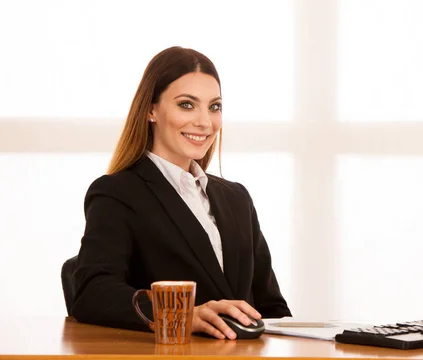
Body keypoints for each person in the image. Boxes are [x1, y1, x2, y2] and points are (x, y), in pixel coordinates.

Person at [72, 46, 291, 339]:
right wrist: (181, 315)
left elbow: (271, 308)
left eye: (214, 106)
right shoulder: (117, 193)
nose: (204, 121)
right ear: (151, 110)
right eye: (187, 104)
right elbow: (92, 292)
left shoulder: (236, 198)